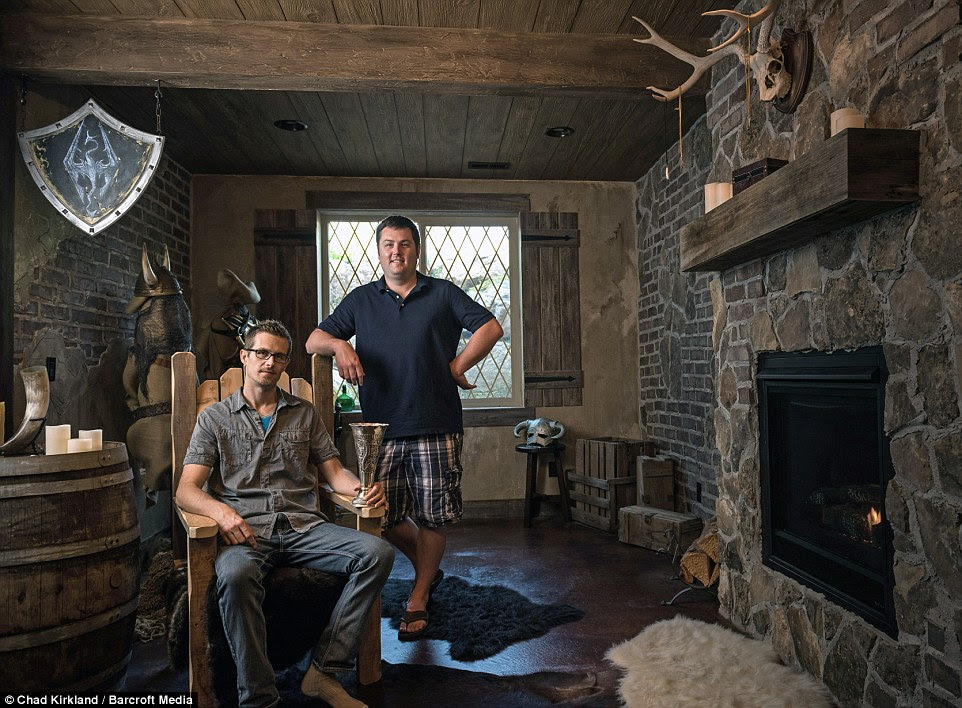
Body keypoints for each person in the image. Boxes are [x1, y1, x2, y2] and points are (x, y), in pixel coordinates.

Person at [176, 319, 394, 708]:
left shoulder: (304, 414)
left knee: (377, 553)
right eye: (262, 353)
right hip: (247, 531)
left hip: (303, 526)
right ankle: (259, 698)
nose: (269, 362)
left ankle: (324, 672)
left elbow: (334, 474)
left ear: (285, 364)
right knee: (235, 574)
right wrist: (222, 514)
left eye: (278, 356)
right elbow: (187, 489)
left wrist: (362, 488)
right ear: (244, 356)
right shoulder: (214, 419)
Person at [306, 215, 503, 641]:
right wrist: (341, 343)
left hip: (436, 423)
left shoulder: (442, 293)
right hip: (381, 429)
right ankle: (427, 570)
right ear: (379, 251)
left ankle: (417, 597)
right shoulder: (361, 300)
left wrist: (457, 365)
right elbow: (311, 340)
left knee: (433, 518)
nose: (397, 252)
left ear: (417, 250)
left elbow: (491, 327)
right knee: (384, 516)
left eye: (405, 244)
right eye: (389, 245)